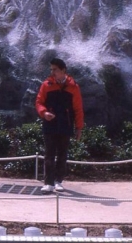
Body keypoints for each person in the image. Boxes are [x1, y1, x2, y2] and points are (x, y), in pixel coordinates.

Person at [35, 58, 84, 194]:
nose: (52, 72)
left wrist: (79, 128)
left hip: (66, 125)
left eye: (55, 69)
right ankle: (48, 183)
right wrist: (44, 113)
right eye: (51, 69)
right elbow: (39, 102)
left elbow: (78, 108)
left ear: (63, 70)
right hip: (49, 124)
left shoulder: (73, 87)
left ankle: (58, 181)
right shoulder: (47, 85)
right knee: (49, 154)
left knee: (62, 154)